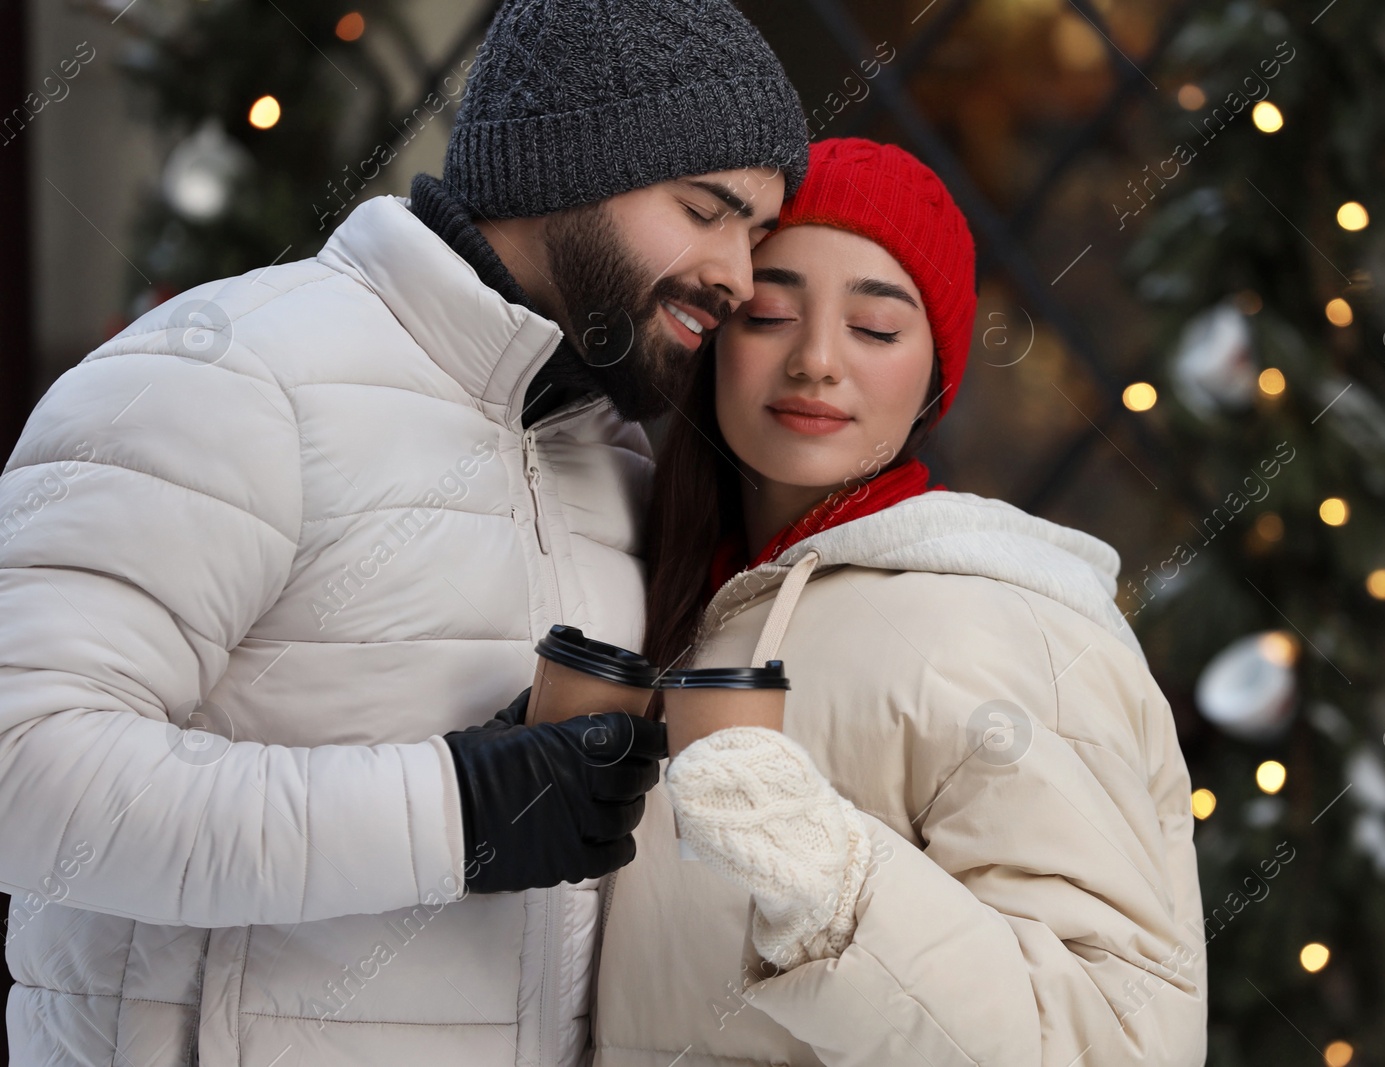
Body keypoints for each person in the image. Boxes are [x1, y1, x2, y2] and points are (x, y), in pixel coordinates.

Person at [0, 2, 807, 1064]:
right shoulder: (227, 371)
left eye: (756, 232)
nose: (738, 275)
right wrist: (456, 809)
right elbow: (25, 773)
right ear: (562, 165)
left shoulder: (612, 457)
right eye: (706, 208)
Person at [591, 138, 1207, 1065]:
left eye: (876, 329)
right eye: (768, 314)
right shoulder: (667, 589)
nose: (817, 360)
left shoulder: (1004, 627)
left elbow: (1111, 1040)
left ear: (933, 380)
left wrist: (834, 886)